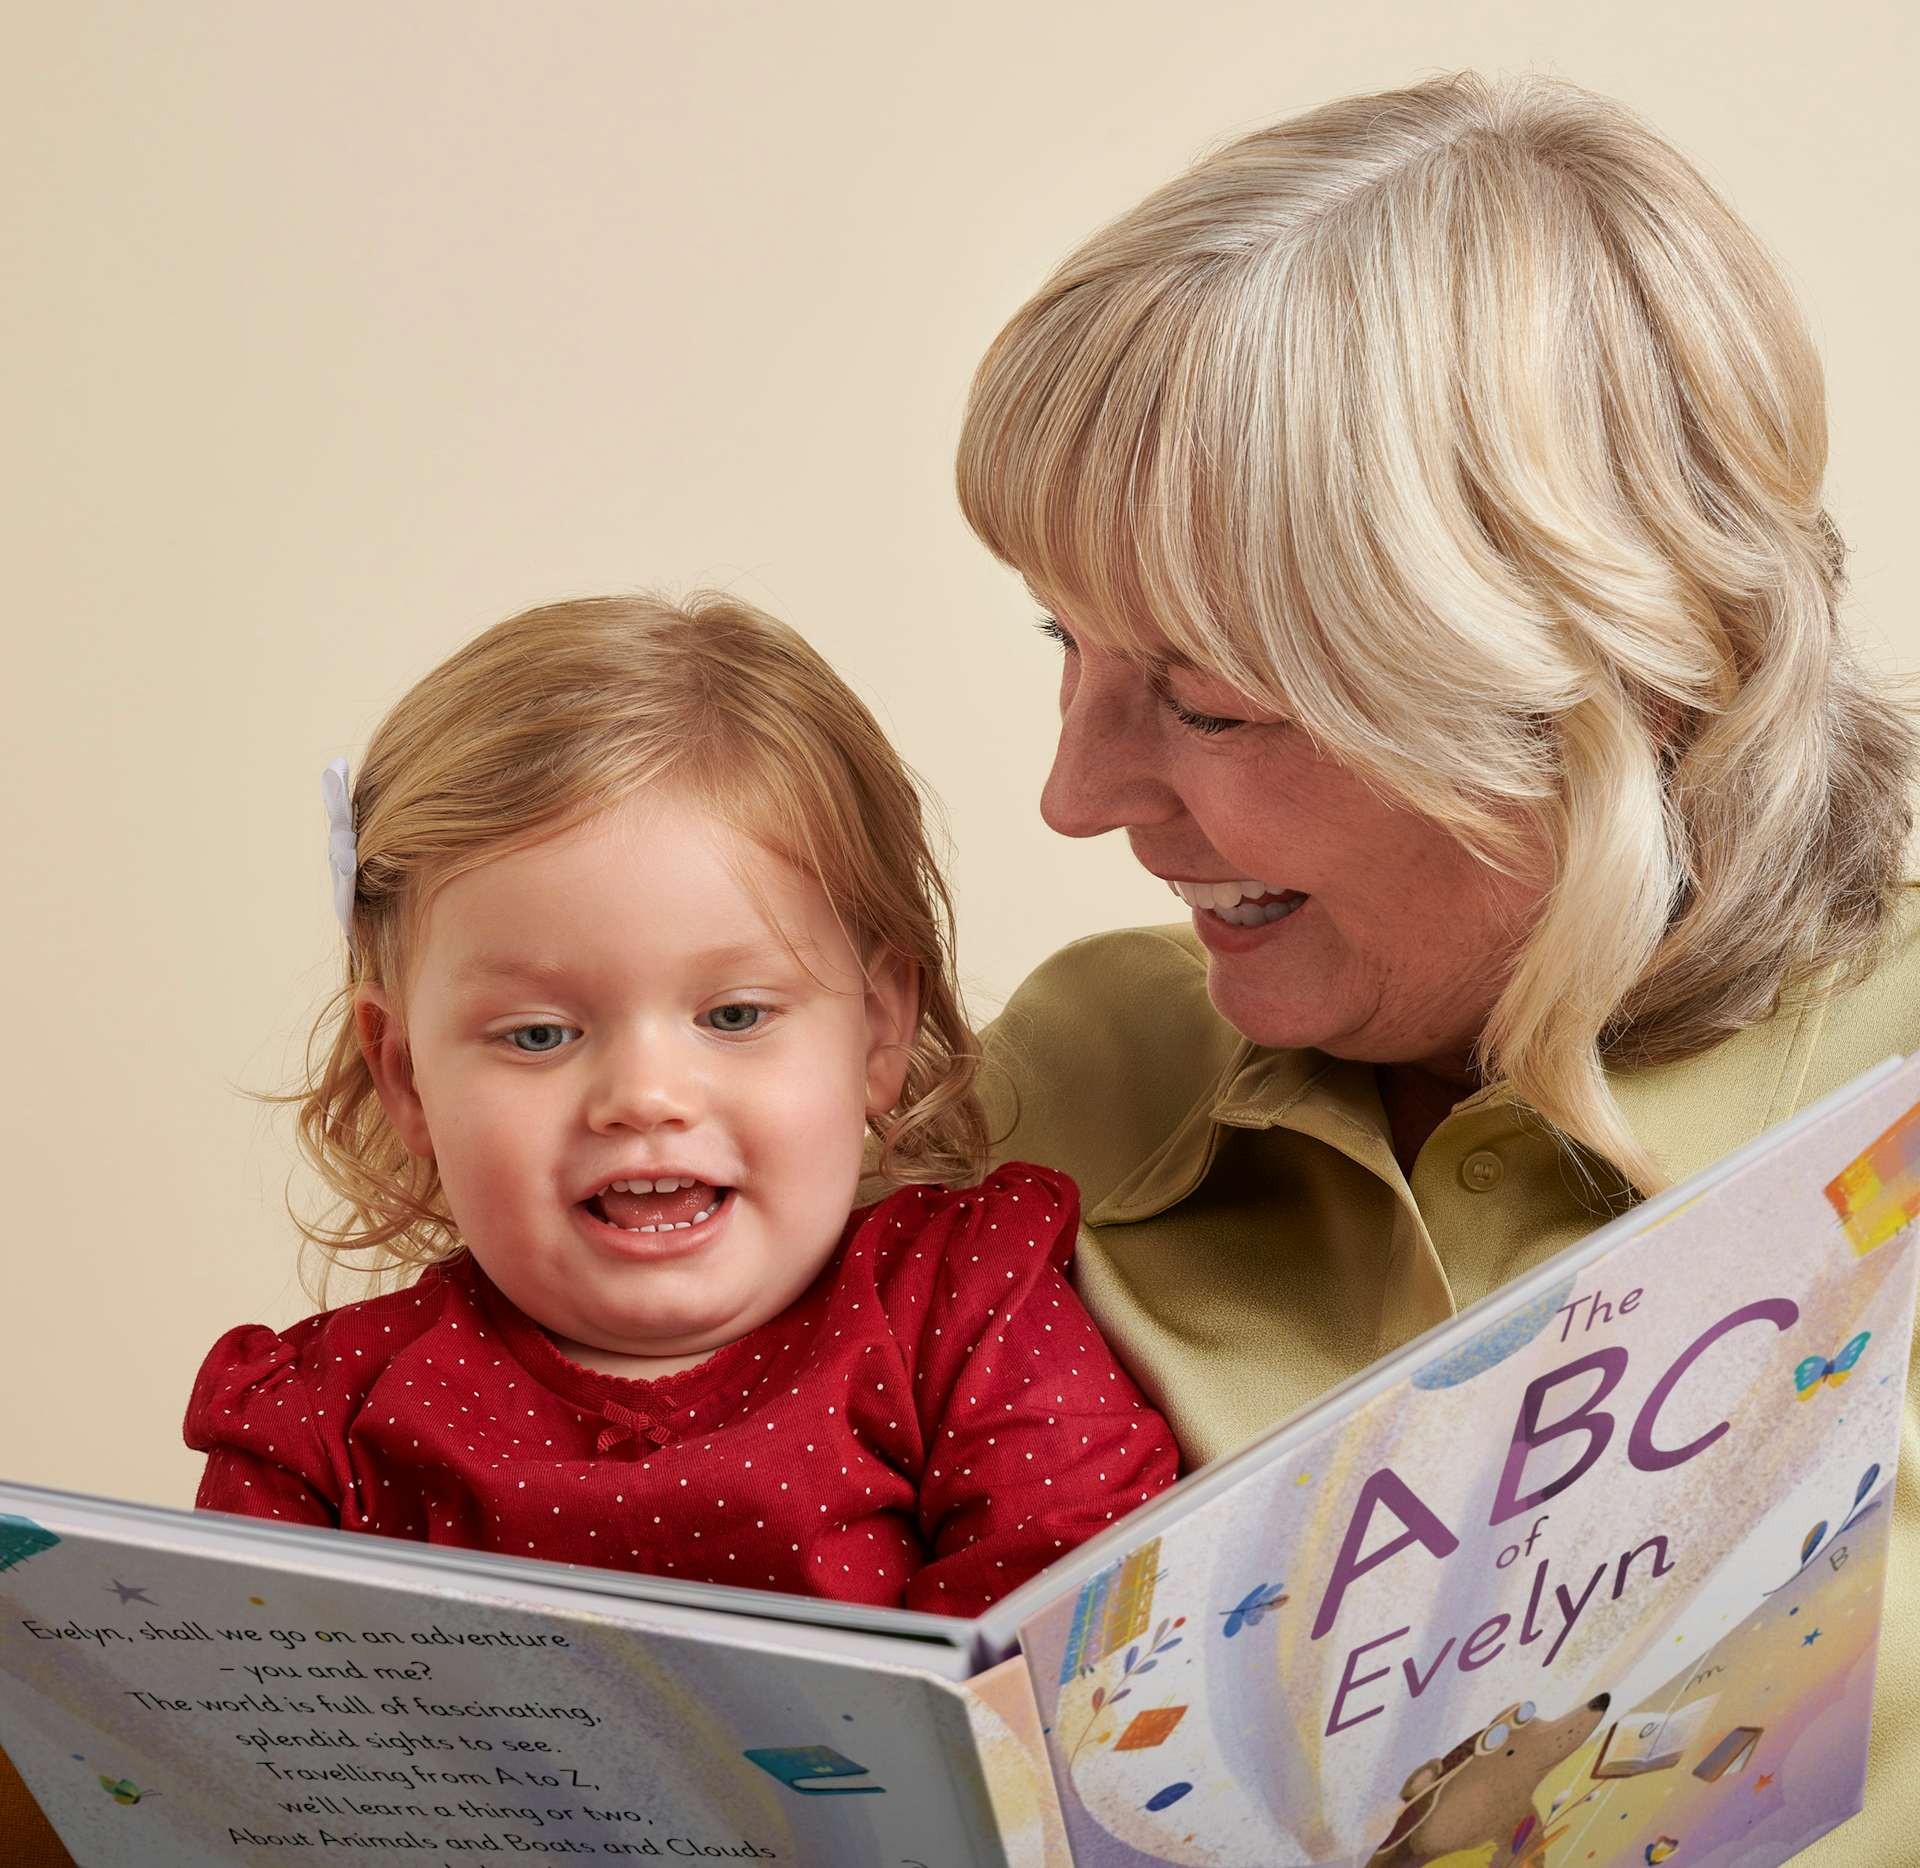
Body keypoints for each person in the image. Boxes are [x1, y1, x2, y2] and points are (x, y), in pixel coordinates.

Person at [954, 72, 1919, 1861]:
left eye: (1207, 697)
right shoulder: (1063, 1082)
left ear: (1612, 680)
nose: (1076, 792)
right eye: (1065, 645)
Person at [184, 594, 1175, 1615]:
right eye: (538, 1034)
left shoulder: (961, 1318)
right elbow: (242, 1730)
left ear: (878, 1031)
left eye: (735, 1013)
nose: (643, 1097)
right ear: (405, 1078)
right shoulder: (321, 1426)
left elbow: (1073, 1633)